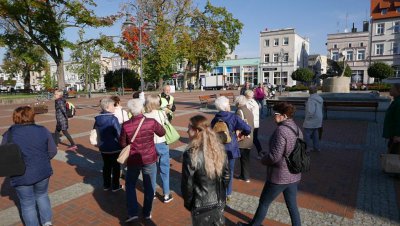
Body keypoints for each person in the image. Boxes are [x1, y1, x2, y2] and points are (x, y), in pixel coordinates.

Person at [240, 102, 302, 226]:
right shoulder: (296, 128)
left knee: (264, 202)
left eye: (276, 114)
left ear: (284, 115)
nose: (274, 116)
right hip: (294, 174)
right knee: (292, 206)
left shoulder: (281, 131)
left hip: (279, 176)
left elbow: (274, 157)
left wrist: (262, 159)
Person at [1, 106, 57, 226]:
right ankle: (47, 222)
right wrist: (43, 160)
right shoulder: (43, 130)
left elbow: (5, 155)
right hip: (42, 171)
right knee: (42, 196)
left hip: (20, 174)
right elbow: (52, 151)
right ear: (32, 116)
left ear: (15, 117)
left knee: (27, 203)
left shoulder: (9, 134)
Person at [120, 99, 165, 222]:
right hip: (149, 158)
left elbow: (123, 143)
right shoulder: (151, 122)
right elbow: (162, 133)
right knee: (149, 186)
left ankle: (132, 212)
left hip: (134, 159)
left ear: (130, 111)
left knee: (130, 184)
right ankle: (147, 212)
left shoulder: (126, 125)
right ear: (142, 109)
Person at [181, 115, 230, 226]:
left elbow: (187, 184)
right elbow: (226, 176)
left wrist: (189, 204)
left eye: (189, 127)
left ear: (197, 131)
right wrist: (221, 193)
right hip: (219, 200)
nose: (187, 131)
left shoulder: (191, 154)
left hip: (200, 204)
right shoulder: (218, 148)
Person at [211, 96, 251, 201]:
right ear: (225, 106)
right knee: (231, 171)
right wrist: (242, 134)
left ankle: (219, 191)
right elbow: (248, 128)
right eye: (228, 104)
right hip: (231, 148)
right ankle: (228, 193)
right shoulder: (233, 117)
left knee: (219, 170)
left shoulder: (215, 118)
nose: (230, 105)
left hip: (218, 148)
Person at [144, 94, 173, 203]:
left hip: (149, 144)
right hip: (162, 143)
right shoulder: (161, 113)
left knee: (152, 169)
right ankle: (166, 194)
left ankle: (152, 193)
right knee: (165, 168)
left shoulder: (145, 116)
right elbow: (167, 124)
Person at [94, 98, 122, 192]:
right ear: (107, 107)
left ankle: (106, 185)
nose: (115, 107)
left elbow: (95, 131)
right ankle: (115, 185)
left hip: (103, 146)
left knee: (106, 166)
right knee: (116, 167)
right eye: (113, 105)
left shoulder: (97, 118)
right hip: (114, 146)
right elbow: (118, 133)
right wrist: (123, 144)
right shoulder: (113, 119)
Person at [235, 95, 254, 183]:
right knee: (245, 159)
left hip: (243, 137)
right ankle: (245, 175)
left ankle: (245, 176)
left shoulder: (239, 111)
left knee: (242, 158)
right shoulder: (249, 110)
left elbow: (238, 124)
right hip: (250, 137)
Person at [303, 86, 324, 152]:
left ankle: (307, 147)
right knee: (315, 133)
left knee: (307, 134)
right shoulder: (319, 98)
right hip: (318, 118)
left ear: (309, 91)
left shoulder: (311, 100)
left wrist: (307, 118)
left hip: (311, 119)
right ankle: (316, 147)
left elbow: (310, 111)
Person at [245, 90, 263, 159]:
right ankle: (260, 151)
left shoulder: (248, 103)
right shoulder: (255, 102)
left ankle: (247, 154)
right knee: (254, 138)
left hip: (251, 123)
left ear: (246, 95)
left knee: (249, 139)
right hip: (256, 123)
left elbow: (248, 114)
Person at [383, 83, 400, 154]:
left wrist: (398, 135)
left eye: (392, 88)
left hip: (396, 138)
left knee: (394, 156)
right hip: (393, 135)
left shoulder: (399, 102)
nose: (390, 90)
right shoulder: (396, 101)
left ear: (398, 90)